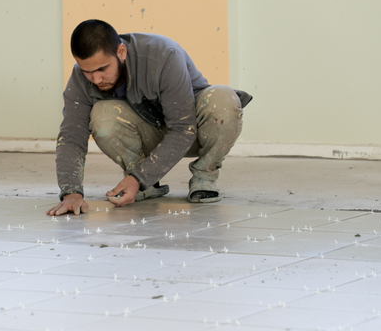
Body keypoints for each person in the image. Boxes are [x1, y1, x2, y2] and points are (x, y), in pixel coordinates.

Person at [48, 19, 252, 216]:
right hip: (152, 134)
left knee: (223, 99)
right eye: (87, 71)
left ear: (121, 52)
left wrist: (139, 177)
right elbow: (71, 137)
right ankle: (147, 185)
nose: (96, 79)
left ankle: (204, 177)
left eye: (102, 69)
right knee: (102, 114)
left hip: (194, 130)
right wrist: (71, 192)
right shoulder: (80, 78)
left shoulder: (163, 54)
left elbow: (183, 128)